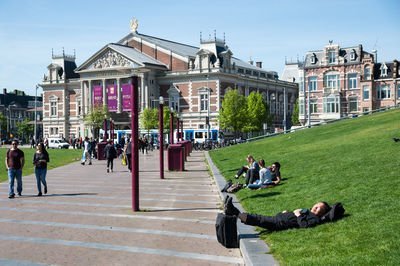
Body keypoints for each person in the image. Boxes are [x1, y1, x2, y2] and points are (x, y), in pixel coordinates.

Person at [224, 196, 330, 231]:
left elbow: (304, 225)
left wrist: (298, 215)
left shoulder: (315, 219)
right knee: (258, 217)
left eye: (320, 208)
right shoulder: (308, 212)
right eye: (316, 205)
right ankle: (232, 210)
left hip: (280, 223)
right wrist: (287, 213)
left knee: (258, 219)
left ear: (322, 213)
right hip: (280, 218)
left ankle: (233, 211)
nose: (316, 207)